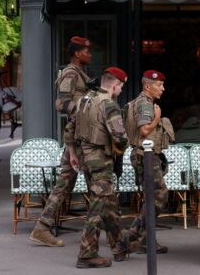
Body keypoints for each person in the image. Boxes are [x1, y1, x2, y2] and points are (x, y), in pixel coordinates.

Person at [29, 36, 91, 247]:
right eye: (86, 51)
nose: (90, 54)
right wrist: (87, 111)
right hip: (79, 135)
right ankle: (114, 236)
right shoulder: (71, 74)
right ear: (77, 53)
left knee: (66, 184)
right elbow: (63, 104)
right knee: (98, 186)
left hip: (79, 134)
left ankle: (42, 227)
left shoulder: (78, 74)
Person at [73, 67, 137, 268]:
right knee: (97, 207)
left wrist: (74, 152)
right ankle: (86, 254)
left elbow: (72, 128)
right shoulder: (108, 104)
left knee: (109, 204)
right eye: (121, 87)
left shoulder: (85, 99)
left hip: (87, 158)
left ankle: (119, 246)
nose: (120, 91)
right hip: (101, 160)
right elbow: (120, 137)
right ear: (115, 84)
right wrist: (122, 147)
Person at [123, 70, 170, 254]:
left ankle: (145, 240)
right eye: (159, 85)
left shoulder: (146, 102)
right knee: (159, 196)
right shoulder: (145, 103)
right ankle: (131, 237)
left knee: (153, 197)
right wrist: (157, 118)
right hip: (146, 155)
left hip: (148, 155)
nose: (163, 88)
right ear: (147, 86)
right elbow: (144, 130)